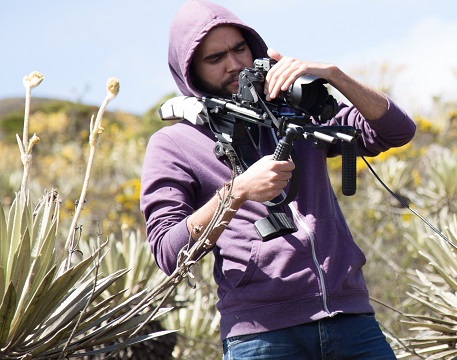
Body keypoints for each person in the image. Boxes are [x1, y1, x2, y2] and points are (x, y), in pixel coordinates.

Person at [140, 0, 417, 358]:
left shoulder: (294, 108)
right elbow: (168, 251)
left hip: (350, 319)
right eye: (215, 58)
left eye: (239, 48)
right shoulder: (173, 144)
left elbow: (397, 131)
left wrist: (335, 75)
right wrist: (236, 193)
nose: (234, 64)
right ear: (190, 71)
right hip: (262, 336)